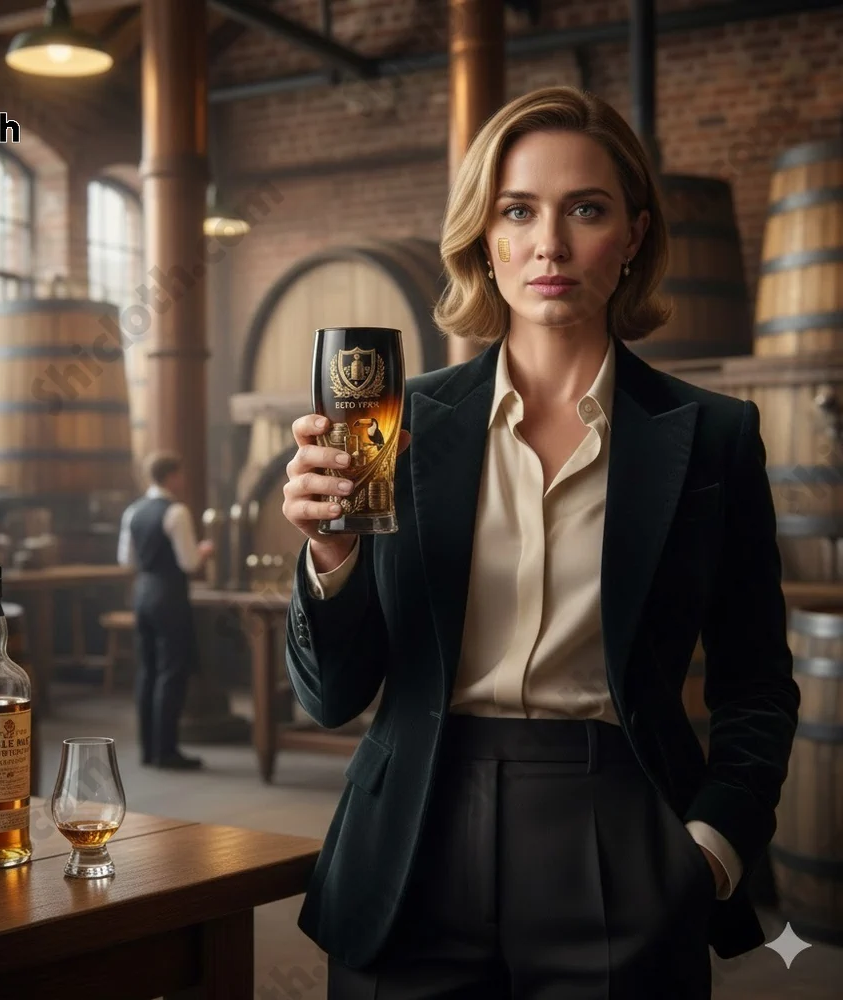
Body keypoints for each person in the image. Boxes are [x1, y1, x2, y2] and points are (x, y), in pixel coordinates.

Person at [281, 85, 800, 999]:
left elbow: (756, 680)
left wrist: (711, 850)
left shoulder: (714, 436)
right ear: (487, 234)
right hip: (410, 839)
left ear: (633, 235)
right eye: (518, 210)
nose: (549, 244)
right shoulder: (393, 426)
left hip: (618, 835)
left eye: (585, 210)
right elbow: (334, 700)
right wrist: (330, 560)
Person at [118, 450, 214, 770]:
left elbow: (126, 560)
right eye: (181, 474)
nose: (183, 480)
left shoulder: (133, 511)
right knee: (172, 672)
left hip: (141, 594)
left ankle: (148, 750)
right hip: (169, 596)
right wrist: (204, 550)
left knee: (147, 671)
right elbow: (188, 562)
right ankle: (167, 751)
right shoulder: (176, 512)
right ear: (171, 476)